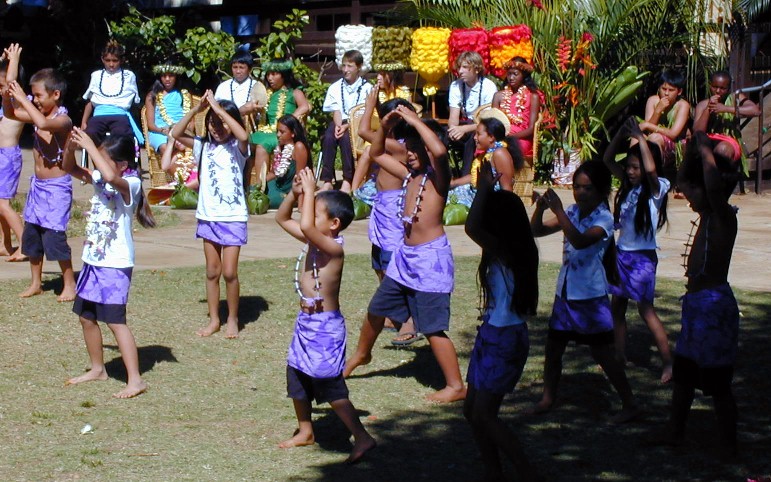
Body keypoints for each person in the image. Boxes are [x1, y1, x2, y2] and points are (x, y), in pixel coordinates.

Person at [344, 101, 466, 404]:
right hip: (404, 258)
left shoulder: (438, 179)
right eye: (408, 148)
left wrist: (415, 119)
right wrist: (385, 125)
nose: (409, 153)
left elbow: (440, 152)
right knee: (377, 308)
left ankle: (456, 385)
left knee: (432, 328)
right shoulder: (409, 176)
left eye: (415, 149)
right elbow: (375, 153)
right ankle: (362, 354)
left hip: (430, 261)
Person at [275, 167, 376, 463]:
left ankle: (362, 436)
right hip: (306, 323)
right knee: (296, 375)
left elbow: (306, 226)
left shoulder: (333, 249)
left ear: (334, 224)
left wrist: (309, 192)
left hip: (325, 328)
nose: (307, 214)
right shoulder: (314, 239)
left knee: (329, 384)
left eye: (315, 212)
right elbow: (282, 218)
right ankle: (306, 430)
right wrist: (294, 194)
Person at [530, 161, 639, 423]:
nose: (580, 193)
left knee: (603, 354)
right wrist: (541, 209)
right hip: (566, 293)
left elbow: (579, 241)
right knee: (553, 350)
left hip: (590, 297)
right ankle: (547, 398)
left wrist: (558, 209)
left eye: (587, 188)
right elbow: (537, 230)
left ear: (601, 191)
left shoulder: (604, 219)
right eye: (577, 187)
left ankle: (630, 403)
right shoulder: (572, 212)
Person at [661, 131, 741, 455]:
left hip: (713, 306)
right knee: (684, 375)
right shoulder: (708, 213)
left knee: (718, 383)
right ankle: (674, 432)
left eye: (694, 190)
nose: (687, 195)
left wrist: (706, 150)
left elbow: (712, 187)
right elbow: (684, 179)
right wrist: (694, 146)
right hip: (696, 305)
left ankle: (729, 445)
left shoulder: (723, 216)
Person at [61, 131, 156, 399]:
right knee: (86, 316)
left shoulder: (131, 183)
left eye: (103, 159)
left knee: (115, 321)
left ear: (123, 164)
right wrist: (70, 147)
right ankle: (98, 369)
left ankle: (135, 380)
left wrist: (91, 146)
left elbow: (113, 178)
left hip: (115, 264)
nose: (97, 165)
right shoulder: (101, 177)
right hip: (93, 260)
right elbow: (69, 167)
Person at [464, 162, 540, 482]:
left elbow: (471, 227)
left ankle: (528, 474)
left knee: (484, 414)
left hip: (504, 339)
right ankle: (493, 472)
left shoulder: (507, 251)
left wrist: (483, 188)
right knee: (472, 411)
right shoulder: (514, 249)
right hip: (493, 334)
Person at [171, 90, 250, 338]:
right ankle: (214, 319)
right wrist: (197, 110)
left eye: (222, 123)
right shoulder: (202, 146)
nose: (217, 128)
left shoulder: (238, 148)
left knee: (230, 272)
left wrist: (218, 109)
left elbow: (243, 134)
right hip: (208, 217)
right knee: (212, 271)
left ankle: (233, 319)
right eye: (212, 123)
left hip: (233, 217)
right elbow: (176, 133)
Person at [604, 117, 672, 383]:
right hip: (622, 255)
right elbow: (608, 159)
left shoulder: (656, 189)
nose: (630, 172)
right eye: (629, 167)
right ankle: (619, 355)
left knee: (645, 310)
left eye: (635, 167)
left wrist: (641, 138)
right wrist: (621, 133)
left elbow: (652, 171)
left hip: (642, 259)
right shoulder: (628, 187)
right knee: (617, 307)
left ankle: (668, 363)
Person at [4, 69, 76, 301]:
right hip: (38, 187)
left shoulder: (63, 120)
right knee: (32, 235)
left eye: (38, 96)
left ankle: (70, 284)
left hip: (57, 188)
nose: (34, 100)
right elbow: (11, 113)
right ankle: (36, 283)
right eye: (32, 95)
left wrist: (22, 98)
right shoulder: (38, 114)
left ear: (56, 94)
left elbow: (43, 124)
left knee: (54, 237)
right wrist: (7, 95)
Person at [355, 90, 420, 345]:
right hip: (381, 209)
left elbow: (363, 132)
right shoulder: (389, 144)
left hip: (393, 211)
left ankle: (409, 320)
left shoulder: (400, 146)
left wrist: (370, 106)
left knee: (392, 265)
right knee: (379, 264)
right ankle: (394, 314)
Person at [249, 58, 310, 190]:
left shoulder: (294, 92)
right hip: (265, 130)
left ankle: (260, 186)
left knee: (262, 145)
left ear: (284, 75)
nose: (270, 78)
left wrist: (289, 121)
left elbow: (305, 107)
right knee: (244, 141)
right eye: (268, 74)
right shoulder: (267, 93)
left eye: (274, 74)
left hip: (282, 133)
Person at [318, 49, 373, 192]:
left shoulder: (367, 88)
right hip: (340, 121)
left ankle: (348, 180)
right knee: (328, 138)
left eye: (350, 66)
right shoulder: (335, 87)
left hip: (358, 124)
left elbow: (363, 113)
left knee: (347, 140)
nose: (345, 69)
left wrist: (347, 126)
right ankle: (327, 180)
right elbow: (336, 110)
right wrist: (338, 125)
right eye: (344, 65)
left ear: (358, 67)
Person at [693, 70, 761, 177]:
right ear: (710, 86)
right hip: (709, 139)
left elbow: (755, 110)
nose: (718, 91)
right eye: (715, 87)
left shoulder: (735, 98)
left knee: (722, 150)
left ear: (728, 89)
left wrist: (726, 108)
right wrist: (708, 109)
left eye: (722, 88)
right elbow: (698, 131)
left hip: (729, 142)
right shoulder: (702, 105)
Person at [80, 40, 143, 147]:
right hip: (99, 114)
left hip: (120, 114)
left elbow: (135, 101)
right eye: (108, 60)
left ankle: (118, 157)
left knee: (122, 134)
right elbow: (90, 100)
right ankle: (99, 155)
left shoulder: (128, 76)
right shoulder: (96, 75)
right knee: (91, 132)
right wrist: (84, 122)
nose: (111, 64)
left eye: (115, 61)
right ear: (102, 59)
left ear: (121, 60)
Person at [448, 115, 519, 208]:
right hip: (478, 195)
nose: (474, 137)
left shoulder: (500, 153)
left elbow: (507, 189)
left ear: (491, 137)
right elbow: (476, 177)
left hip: (490, 203)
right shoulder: (488, 153)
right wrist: (454, 183)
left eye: (478, 134)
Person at [447, 51, 498, 178]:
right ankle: (443, 176)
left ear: (476, 69)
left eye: (465, 67)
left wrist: (464, 129)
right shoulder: (456, 86)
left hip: (482, 125)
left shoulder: (488, 87)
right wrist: (453, 130)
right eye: (459, 67)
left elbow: (487, 121)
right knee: (440, 135)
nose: (460, 71)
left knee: (473, 139)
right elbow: (453, 117)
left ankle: (466, 177)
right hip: (464, 123)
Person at [637, 69, 690, 188]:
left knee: (655, 138)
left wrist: (648, 125)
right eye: (663, 89)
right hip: (654, 138)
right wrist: (657, 111)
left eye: (671, 90)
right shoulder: (653, 100)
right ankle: (634, 177)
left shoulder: (683, 105)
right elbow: (648, 130)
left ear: (679, 91)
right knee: (636, 138)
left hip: (676, 145)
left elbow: (673, 134)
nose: (666, 93)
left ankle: (656, 180)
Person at [0, 43, 26, 261]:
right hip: (1, 156)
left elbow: (10, 82)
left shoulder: (17, 100)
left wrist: (13, 61)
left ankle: (25, 245)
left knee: (3, 204)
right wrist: (2, 61)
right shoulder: (4, 101)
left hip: (8, 157)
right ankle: (5, 243)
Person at [491, 56, 541, 158]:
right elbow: (492, 123)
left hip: (521, 138)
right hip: (500, 136)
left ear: (524, 75)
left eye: (515, 74)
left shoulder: (533, 96)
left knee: (507, 148)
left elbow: (531, 129)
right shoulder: (498, 96)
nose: (511, 77)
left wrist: (510, 138)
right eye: (509, 74)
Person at [144, 61, 193, 156]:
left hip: (181, 130)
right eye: (164, 76)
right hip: (159, 132)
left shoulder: (184, 94)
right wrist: (163, 131)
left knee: (185, 145)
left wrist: (185, 130)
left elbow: (191, 121)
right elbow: (150, 124)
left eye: (171, 76)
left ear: (176, 76)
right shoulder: (152, 96)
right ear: (159, 77)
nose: (167, 79)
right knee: (165, 147)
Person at [213, 48, 267, 130]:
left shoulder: (257, 87)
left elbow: (260, 114)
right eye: (235, 67)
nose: (238, 71)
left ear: (249, 69)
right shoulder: (223, 87)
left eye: (241, 68)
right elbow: (216, 109)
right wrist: (242, 111)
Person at [264, 114, 309, 209]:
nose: (278, 135)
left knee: (267, 199)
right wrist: (260, 184)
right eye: (277, 131)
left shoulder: (299, 147)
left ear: (293, 133)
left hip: (288, 193)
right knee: (250, 191)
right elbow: (273, 173)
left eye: (282, 132)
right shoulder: (280, 147)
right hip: (276, 186)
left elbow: (300, 177)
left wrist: (301, 206)